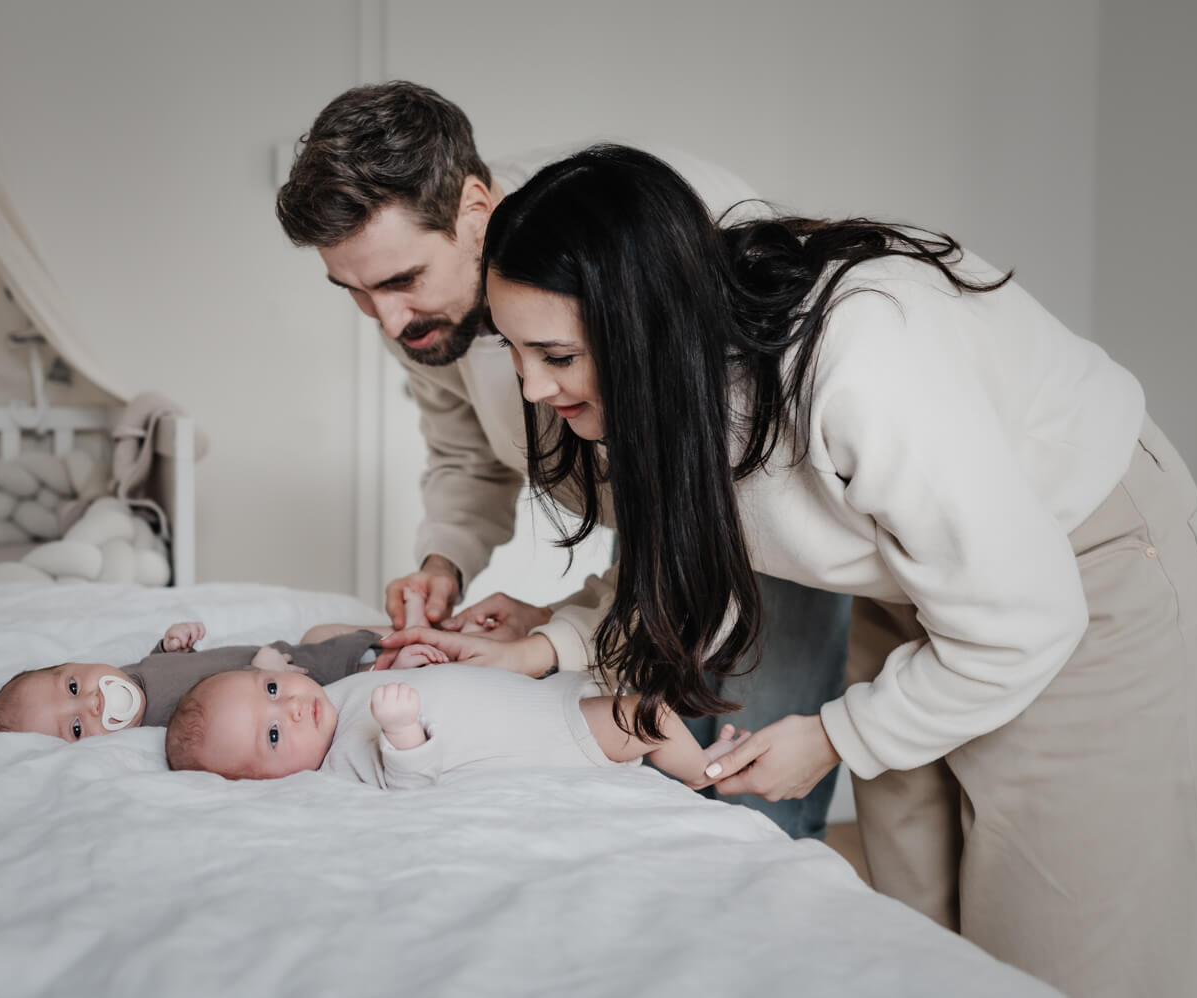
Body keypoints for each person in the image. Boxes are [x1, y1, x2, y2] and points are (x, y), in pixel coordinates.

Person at [380, 143, 1197, 997]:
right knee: (919, 933)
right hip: (922, 586)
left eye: (555, 358)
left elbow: (1024, 616)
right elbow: (688, 569)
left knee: (1063, 954)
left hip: (1079, 574)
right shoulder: (669, 392)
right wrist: (547, 646)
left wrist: (834, 738)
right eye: (515, 351)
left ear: (646, 325)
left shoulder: (863, 363)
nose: (530, 390)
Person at [275, 81, 849, 837]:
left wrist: (557, 640)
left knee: (757, 798)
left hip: (774, 524)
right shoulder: (423, 316)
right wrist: (444, 561)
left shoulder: (645, 235)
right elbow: (466, 455)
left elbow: (711, 505)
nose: (384, 318)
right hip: (655, 544)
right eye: (351, 290)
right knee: (653, 778)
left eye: (400, 281)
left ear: (475, 211)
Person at [165, 660, 746, 790]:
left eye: (271, 690)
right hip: (551, 734)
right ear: (269, 779)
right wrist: (401, 732)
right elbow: (410, 781)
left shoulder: (327, 700)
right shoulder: (337, 761)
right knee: (647, 715)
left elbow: (358, 679)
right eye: (273, 735)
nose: (290, 706)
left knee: (645, 680)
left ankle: (701, 759)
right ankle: (703, 772)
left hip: (539, 696)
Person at [0, 620, 447, 740]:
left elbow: (168, 666)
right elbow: (232, 712)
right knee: (338, 670)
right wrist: (262, 673)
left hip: (280, 657)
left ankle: (423, 629)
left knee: (323, 634)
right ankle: (391, 666)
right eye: (78, 728)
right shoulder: (163, 724)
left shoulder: (132, 674)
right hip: (289, 685)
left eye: (74, 689)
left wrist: (173, 645)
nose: (94, 705)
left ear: (76, 665)